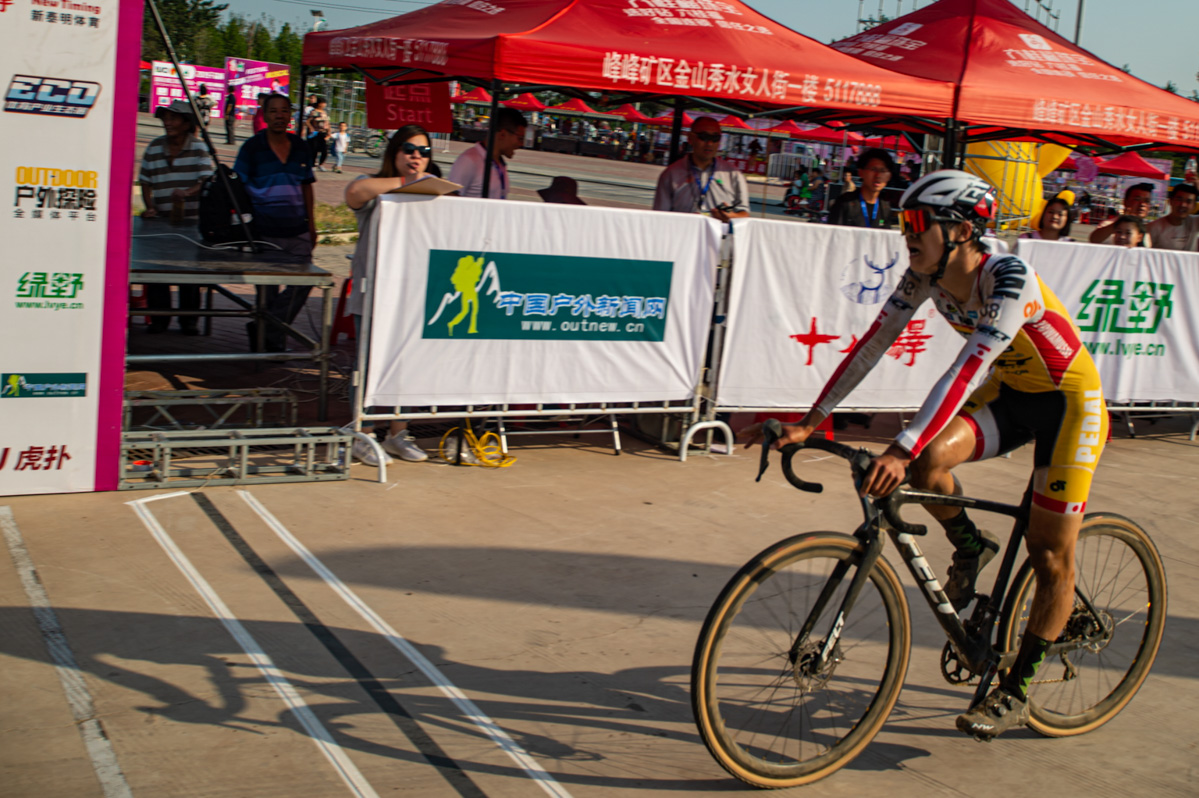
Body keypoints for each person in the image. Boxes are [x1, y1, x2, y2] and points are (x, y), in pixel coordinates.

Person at [744, 170, 1108, 741]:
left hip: (1068, 404)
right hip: (1013, 396)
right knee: (927, 464)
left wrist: (899, 441)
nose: (906, 235)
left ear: (962, 230)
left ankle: (1014, 691)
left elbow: (965, 372)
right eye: (902, 223)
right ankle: (971, 545)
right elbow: (871, 346)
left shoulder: (1010, 278)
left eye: (917, 224)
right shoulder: (925, 277)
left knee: (1047, 553)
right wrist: (810, 421)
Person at [343, 125, 438, 465]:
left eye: (424, 151)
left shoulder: (431, 192)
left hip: (411, 295)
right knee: (366, 366)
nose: (417, 156)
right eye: (410, 149)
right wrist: (407, 183)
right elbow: (354, 193)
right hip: (373, 292)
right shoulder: (377, 187)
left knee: (406, 365)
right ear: (394, 153)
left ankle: (398, 433)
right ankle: (362, 433)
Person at [233, 93, 317, 351]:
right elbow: (238, 186)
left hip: (298, 230)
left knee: (304, 281)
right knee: (266, 293)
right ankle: (272, 343)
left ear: (290, 114)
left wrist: (312, 224)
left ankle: (265, 329)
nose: (279, 116)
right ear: (265, 115)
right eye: (273, 111)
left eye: (284, 111)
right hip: (264, 232)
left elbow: (307, 186)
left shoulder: (301, 146)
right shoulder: (252, 147)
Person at [138, 99, 212, 334]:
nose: (167, 122)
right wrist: (150, 206)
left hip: (190, 222)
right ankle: (160, 320)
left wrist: (187, 193)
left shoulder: (198, 148)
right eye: (165, 118)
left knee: (188, 273)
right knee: (156, 271)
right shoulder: (154, 147)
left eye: (173, 118)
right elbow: (146, 181)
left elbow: (206, 181)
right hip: (159, 222)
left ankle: (189, 321)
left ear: (186, 122)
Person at [652, 116, 749, 221]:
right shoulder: (671, 174)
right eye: (704, 137)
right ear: (690, 138)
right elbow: (659, 218)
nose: (709, 143)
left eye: (715, 138)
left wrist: (729, 217)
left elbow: (744, 214)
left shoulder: (733, 174)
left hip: (720, 236)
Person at [448, 107, 527, 199]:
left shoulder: (499, 163)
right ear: (502, 134)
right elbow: (450, 201)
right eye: (520, 139)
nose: (521, 144)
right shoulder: (468, 161)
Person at [827, 148, 895, 229]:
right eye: (873, 169)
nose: (878, 175)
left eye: (883, 171)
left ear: (889, 176)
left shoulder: (885, 207)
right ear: (861, 172)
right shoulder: (845, 203)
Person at [1089, 183, 1153, 246]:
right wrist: (1120, 221)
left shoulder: (1146, 231)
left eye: (1146, 201)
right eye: (1137, 199)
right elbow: (1094, 240)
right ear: (1125, 202)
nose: (1142, 204)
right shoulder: (1108, 224)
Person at [1146, 183, 1199, 251]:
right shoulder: (1153, 228)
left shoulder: (1195, 223)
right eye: (1179, 199)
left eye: (1188, 201)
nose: (1183, 205)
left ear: (1194, 206)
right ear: (1170, 201)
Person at [306, 99, 331, 171]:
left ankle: (321, 164)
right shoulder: (314, 112)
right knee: (314, 149)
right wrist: (311, 128)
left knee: (324, 150)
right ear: (319, 104)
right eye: (323, 103)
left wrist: (329, 130)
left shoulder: (325, 112)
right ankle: (313, 164)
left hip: (323, 132)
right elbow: (308, 121)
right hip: (315, 132)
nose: (324, 105)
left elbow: (327, 122)